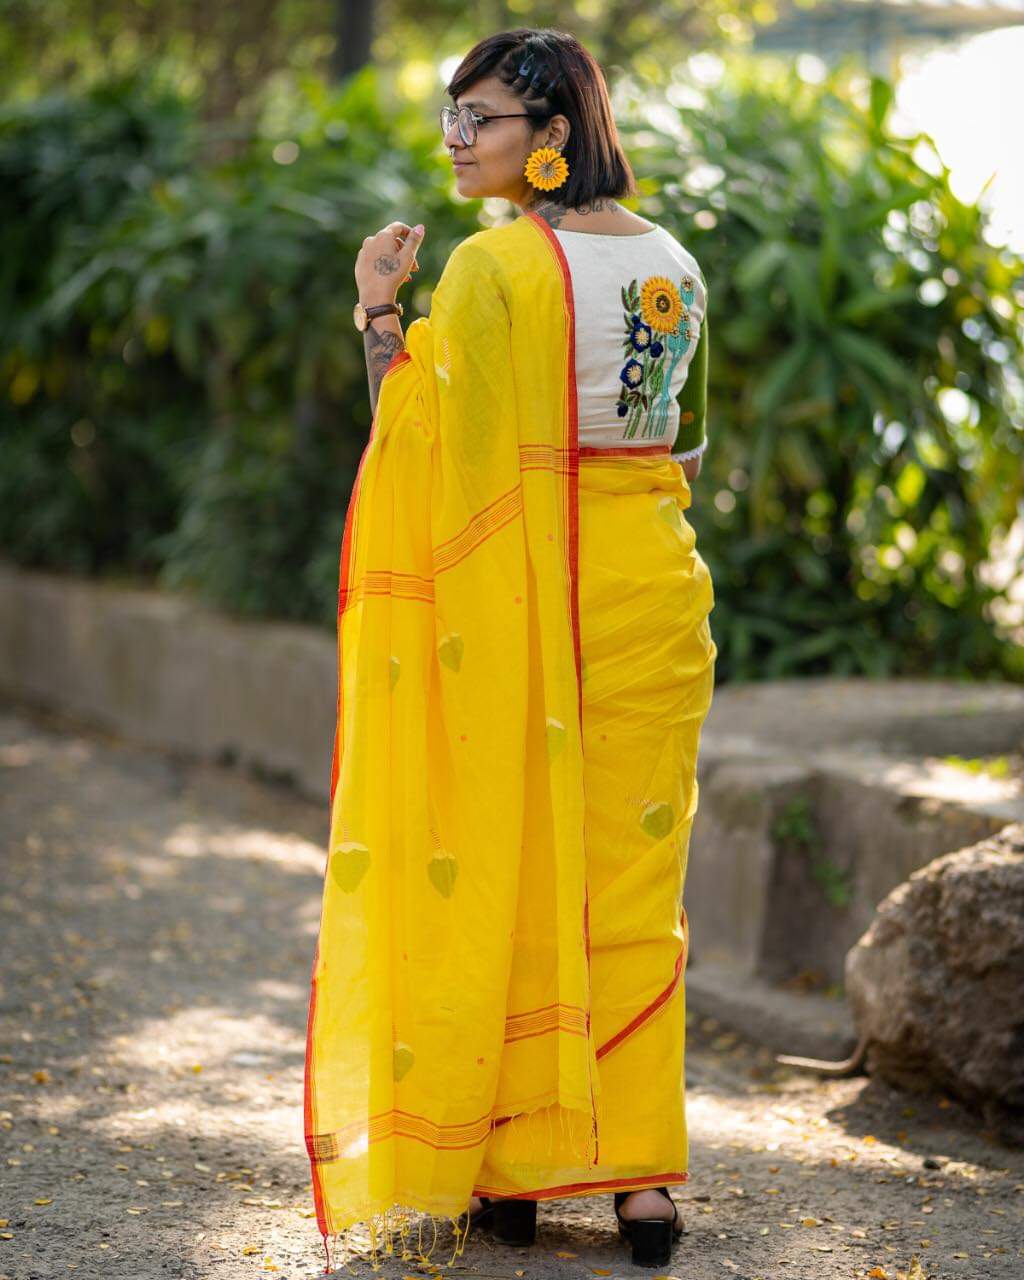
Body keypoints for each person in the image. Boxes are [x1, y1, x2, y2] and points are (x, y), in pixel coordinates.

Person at [303, 26, 717, 1275]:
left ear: (549, 133)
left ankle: (518, 1168)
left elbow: (420, 441)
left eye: (477, 117)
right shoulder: (674, 264)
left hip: (538, 602)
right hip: (655, 598)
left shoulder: (495, 273)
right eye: (450, 113)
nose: (454, 139)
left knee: (507, 863)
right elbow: (678, 449)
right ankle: (640, 1179)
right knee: (634, 894)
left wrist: (377, 308)